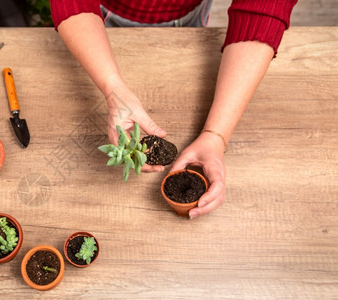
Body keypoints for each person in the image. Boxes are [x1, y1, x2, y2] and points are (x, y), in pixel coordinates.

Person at [49, 0, 298, 218]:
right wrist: (113, 87)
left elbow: (263, 8)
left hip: (192, 12)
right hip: (98, 21)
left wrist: (216, 135)